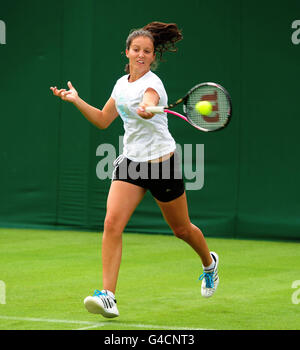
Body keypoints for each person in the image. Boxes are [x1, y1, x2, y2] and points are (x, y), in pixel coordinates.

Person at [50, 21, 219, 319]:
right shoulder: (120, 84)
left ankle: (208, 263)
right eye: (136, 50)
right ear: (127, 52)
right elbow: (103, 120)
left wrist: (146, 105)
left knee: (181, 229)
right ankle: (108, 297)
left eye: (147, 51)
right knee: (111, 223)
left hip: (162, 165)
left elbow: (150, 99)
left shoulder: (154, 84)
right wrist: (76, 101)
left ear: (153, 57)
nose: (141, 55)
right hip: (131, 163)